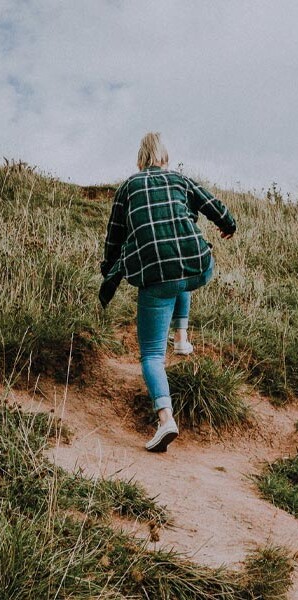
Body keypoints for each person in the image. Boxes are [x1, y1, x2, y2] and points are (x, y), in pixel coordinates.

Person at [99, 132, 236, 452]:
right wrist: (228, 225)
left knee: (150, 356)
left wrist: (108, 271)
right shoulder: (180, 179)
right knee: (182, 272)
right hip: (197, 267)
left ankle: (165, 420)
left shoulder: (127, 188)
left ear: (139, 161)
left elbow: (114, 236)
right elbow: (213, 205)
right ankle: (182, 337)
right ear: (165, 158)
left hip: (155, 278)